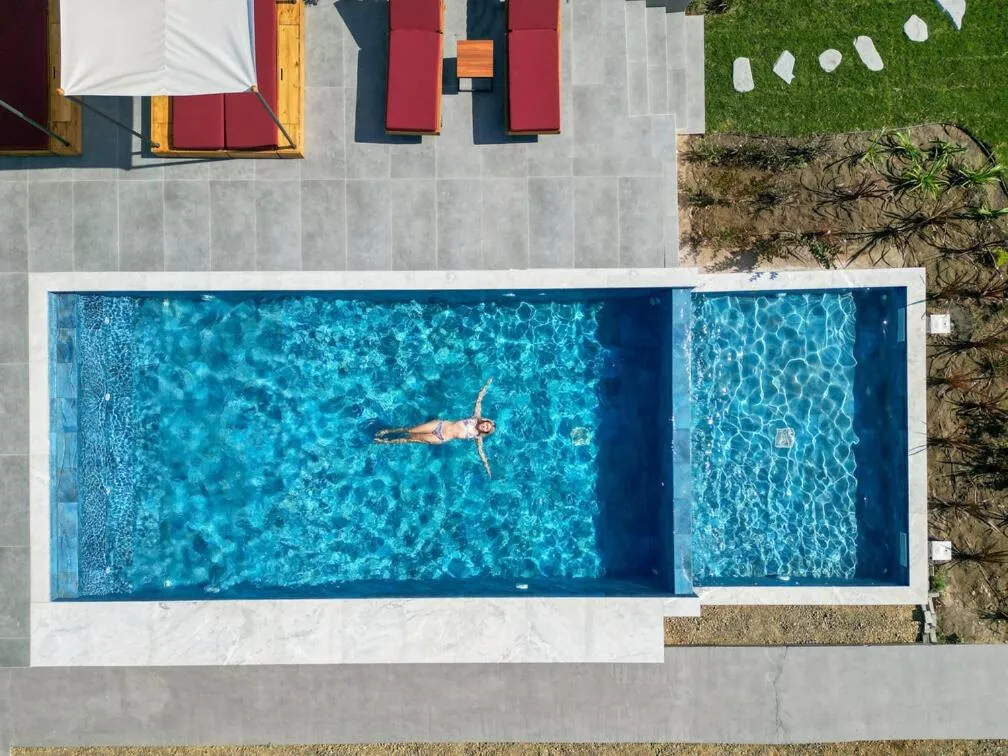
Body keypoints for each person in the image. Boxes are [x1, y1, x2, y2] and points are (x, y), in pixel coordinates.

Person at [374, 378, 496, 477]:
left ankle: (385, 441)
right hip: (440, 424)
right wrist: (486, 386)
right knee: (409, 430)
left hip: (440, 437)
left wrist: (487, 467)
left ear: (485, 432)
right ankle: (388, 431)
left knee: (410, 438)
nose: (485, 426)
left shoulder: (477, 437)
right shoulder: (475, 417)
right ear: (485, 421)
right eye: (487, 424)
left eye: (487, 429)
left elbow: (481, 453)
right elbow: (479, 400)